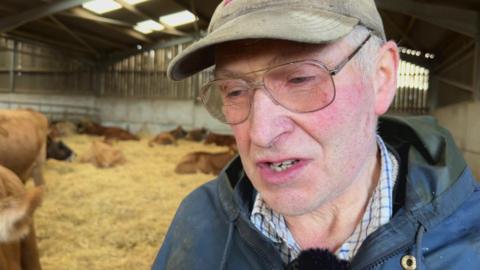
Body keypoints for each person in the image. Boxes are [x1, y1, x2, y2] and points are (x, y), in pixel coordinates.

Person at [152, 0, 480, 269]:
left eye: (301, 80)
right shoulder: (199, 219)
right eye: (234, 91)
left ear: (381, 78)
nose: (261, 134)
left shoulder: (469, 240)